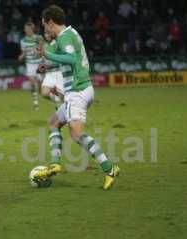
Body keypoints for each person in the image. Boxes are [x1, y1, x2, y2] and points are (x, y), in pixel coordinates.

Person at [35, 5, 120, 190]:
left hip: (77, 92)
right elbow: (66, 60)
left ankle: (109, 168)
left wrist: (47, 54)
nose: (45, 30)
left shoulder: (65, 36)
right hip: (81, 90)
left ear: (50, 22)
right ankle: (55, 163)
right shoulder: (69, 33)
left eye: (45, 26)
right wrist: (47, 66)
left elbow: (72, 59)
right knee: (53, 123)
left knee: (77, 133)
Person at [19, 22, 44, 110]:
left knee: (40, 83)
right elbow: (23, 52)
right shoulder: (23, 41)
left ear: (32, 29)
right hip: (30, 63)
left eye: (28, 29)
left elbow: (42, 49)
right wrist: (21, 56)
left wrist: (37, 50)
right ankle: (35, 102)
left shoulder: (38, 38)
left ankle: (41, 93)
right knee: (32, 82)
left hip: (39, 63)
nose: (27, 31)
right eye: (26, 29)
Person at [38, 30, 63, 105]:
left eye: (49, 33)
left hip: (59, 73)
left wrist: (49, 66)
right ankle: (59, 101)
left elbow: (61, 60)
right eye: (45, 33)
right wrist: (41, 67)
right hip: (49, 74)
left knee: (63, 95)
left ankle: (63, 104)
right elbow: (44, 61)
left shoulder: (58, 44)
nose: (47, 35)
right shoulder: (45, 46)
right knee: (44, 93)